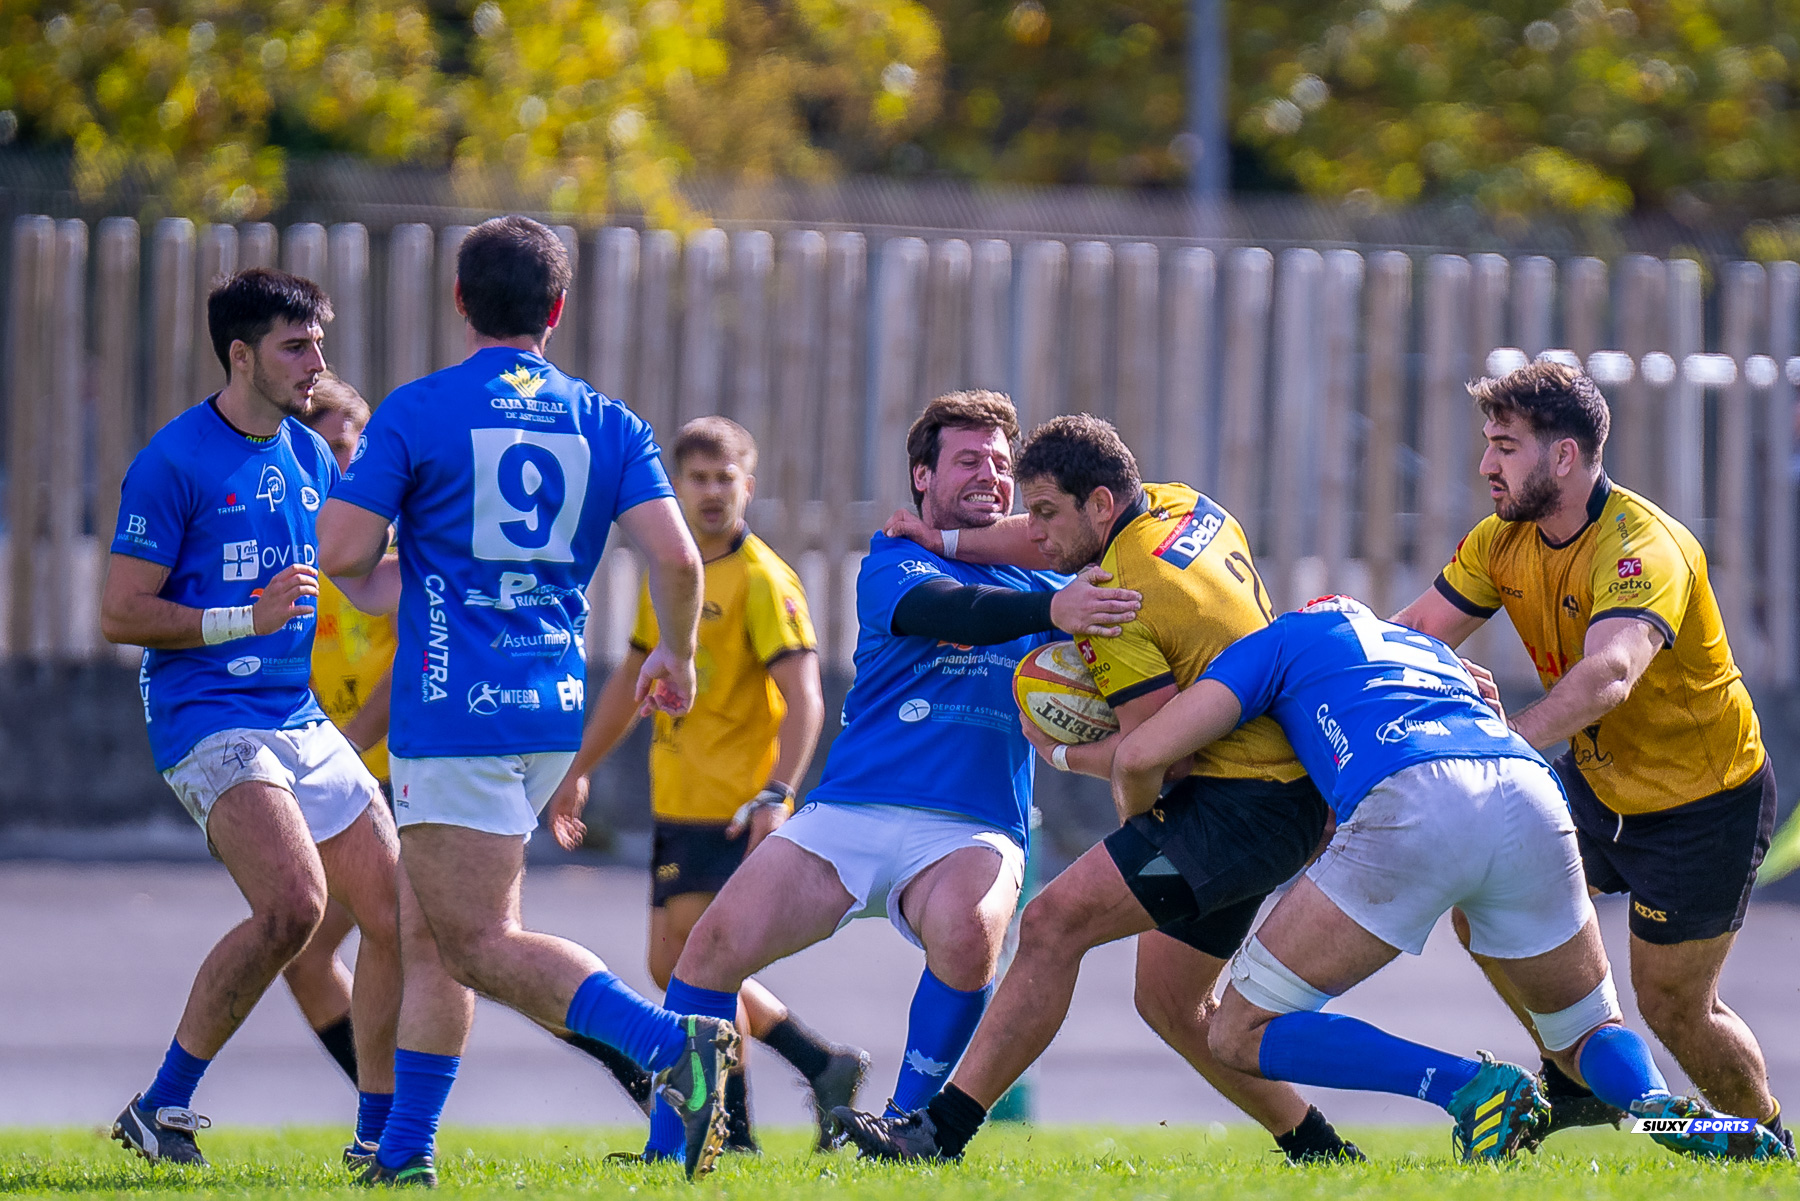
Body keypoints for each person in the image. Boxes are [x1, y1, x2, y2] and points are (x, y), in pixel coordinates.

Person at [318, 215, 734, 1186]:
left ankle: (674, 1046)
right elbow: (675, 556)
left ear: (461, 301)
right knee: (433, 933)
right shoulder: (608, 420)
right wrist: (676, 652)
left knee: (475, 941)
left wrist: (402, 562)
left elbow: (342, 553)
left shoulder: (420, 411)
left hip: (453, 705)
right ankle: (403, 1153)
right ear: (557, 309)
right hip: (550, 701)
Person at [836, 414, 1356, 1165]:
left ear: (1102, 506)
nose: (1033, 531)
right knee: (1172, 1005)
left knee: (1052, 923)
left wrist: (1065, 754)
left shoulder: (1118, 604)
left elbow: (1157, 757)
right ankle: (1320, 1150)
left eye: (1047, 512)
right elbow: (1039, 539)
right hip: (1282, 785)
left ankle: (935, 1132)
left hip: (1234, 807)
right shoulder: (1184, 504)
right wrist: (946, 543)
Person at [648, 391, 1143, 1163]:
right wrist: (1056, 610)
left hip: (972, 822)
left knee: (971, 929)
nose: (991, 475)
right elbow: (955, 607)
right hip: (850, 811)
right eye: (969, 459)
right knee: (708, 946)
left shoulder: (1049, 562)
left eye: (1001, 465)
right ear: (923, 474)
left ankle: (905, 1131)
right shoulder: (897, 558)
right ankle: (673, 1151)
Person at [1115, 594, 1786, 1161]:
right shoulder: (1428, 652)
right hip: (1529, 785)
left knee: (1239, 1031)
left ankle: (1466, 1084)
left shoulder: (1288, 635)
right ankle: (1654, 1105)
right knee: (1584, 1031)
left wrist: (1137, 821)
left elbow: (1146, 752)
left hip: (1418, 797)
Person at [1392, 361, 1790, 1152]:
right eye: (1487, 445)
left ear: (1565, 456)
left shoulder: (1646, 546)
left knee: (1676, 1006)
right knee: (1484, 894)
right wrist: (1328, 658)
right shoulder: (1499, 541)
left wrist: (1499, 744)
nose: (1486, 466)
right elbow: (1413, 634)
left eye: (1505, 447)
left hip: (1702, 803)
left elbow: (1608, 676)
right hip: (1596, 780)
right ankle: (1577, 1077)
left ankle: (1765, 1141)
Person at [100, 270, 402, 1168]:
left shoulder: (312, 458)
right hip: (205, 714)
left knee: (395, 914)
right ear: (242, 355)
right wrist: (243, 619)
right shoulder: (172, 461)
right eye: (295, 346)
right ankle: (163, 1105)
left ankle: (379, 1137)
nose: (318, 364)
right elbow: (118, 613)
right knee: (295, 906)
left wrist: (449, 570)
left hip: (296, 715)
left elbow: (367, 583)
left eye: (318, 344)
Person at [293, 375, 659, 1115]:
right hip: (369, 770)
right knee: (420, 945)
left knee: (467, 945)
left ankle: (659, 1050)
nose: (336, 456)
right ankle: (392, 1132)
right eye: (320, 444)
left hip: (421, 757)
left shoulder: (390, 536)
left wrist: (346, 741)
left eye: (345, 442)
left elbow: (409, 656)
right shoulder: (321, 536)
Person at [547, 416, 868, 1156]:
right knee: (672, 967)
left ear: (747, 485)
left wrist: (777, 791)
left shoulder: (762, 578)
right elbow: (632, 678)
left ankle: (738, 1130)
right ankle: (820, 1065)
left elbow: (807, 695)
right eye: (697, 477)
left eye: (726, 477)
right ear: (677, 487)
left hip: (733, 808)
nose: (713, 490)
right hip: (677, 801)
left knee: (699, 968)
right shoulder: (675, 575)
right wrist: (580, 767)